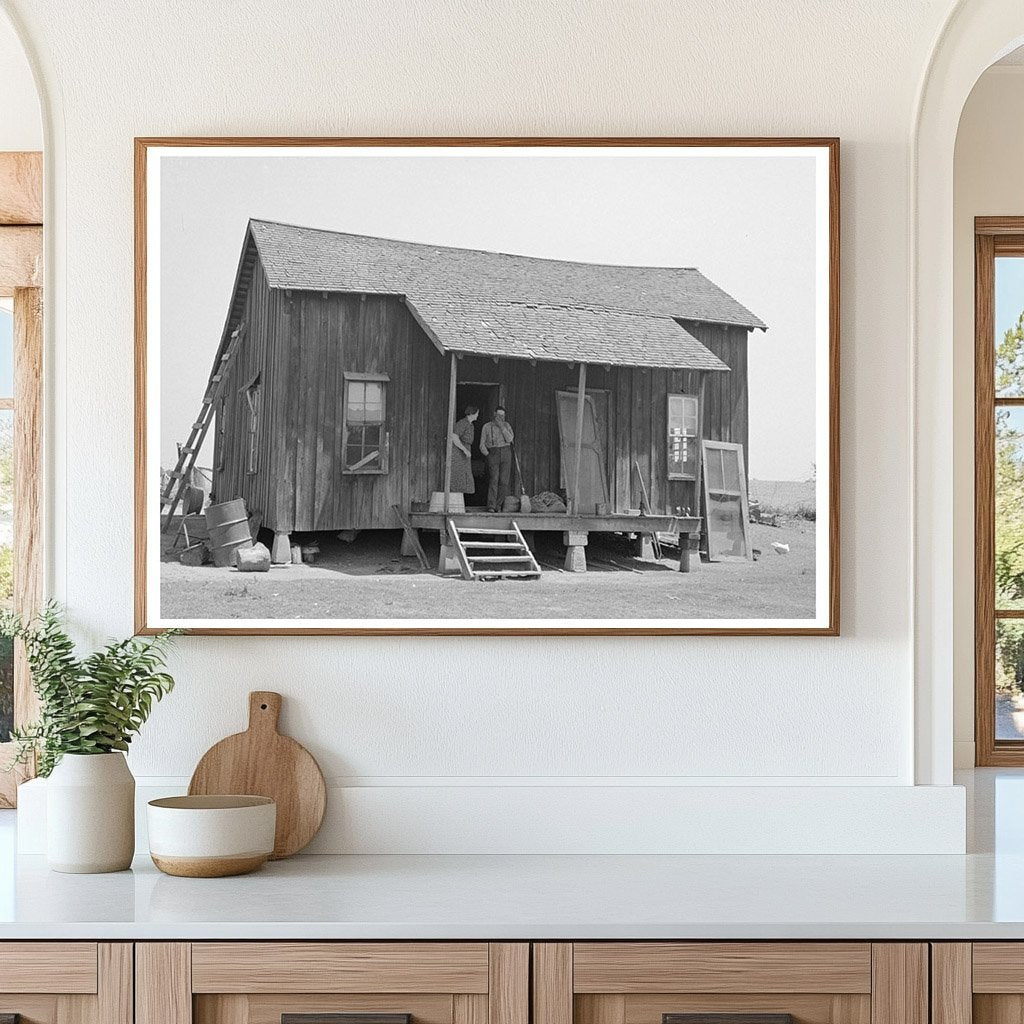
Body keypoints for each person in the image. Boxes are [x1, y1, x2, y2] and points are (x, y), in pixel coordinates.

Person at [479, 405, 514, 512]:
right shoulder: (486, 426)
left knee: (504, 481)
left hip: (506, 452)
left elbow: (510, 439)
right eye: (498, 415)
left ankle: (498, 505)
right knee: (494, 480)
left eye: (502, 415)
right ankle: (491, 506)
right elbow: (482, 444)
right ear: (494, 414)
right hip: (493, 453)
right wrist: (488, 455)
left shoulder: (507, 426)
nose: (500, 417)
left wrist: (502, 427)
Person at [449, 405, 479, 495]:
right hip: (458, 453)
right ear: (471, 414)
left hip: (465, 452)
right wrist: (464, 450)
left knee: (464, 476)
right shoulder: (462, 423)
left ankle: (461, 502)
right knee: (458, 475)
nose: (477, 415)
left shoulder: (470, 425)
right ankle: (455, 501)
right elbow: (454, 437)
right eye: (477, 413)